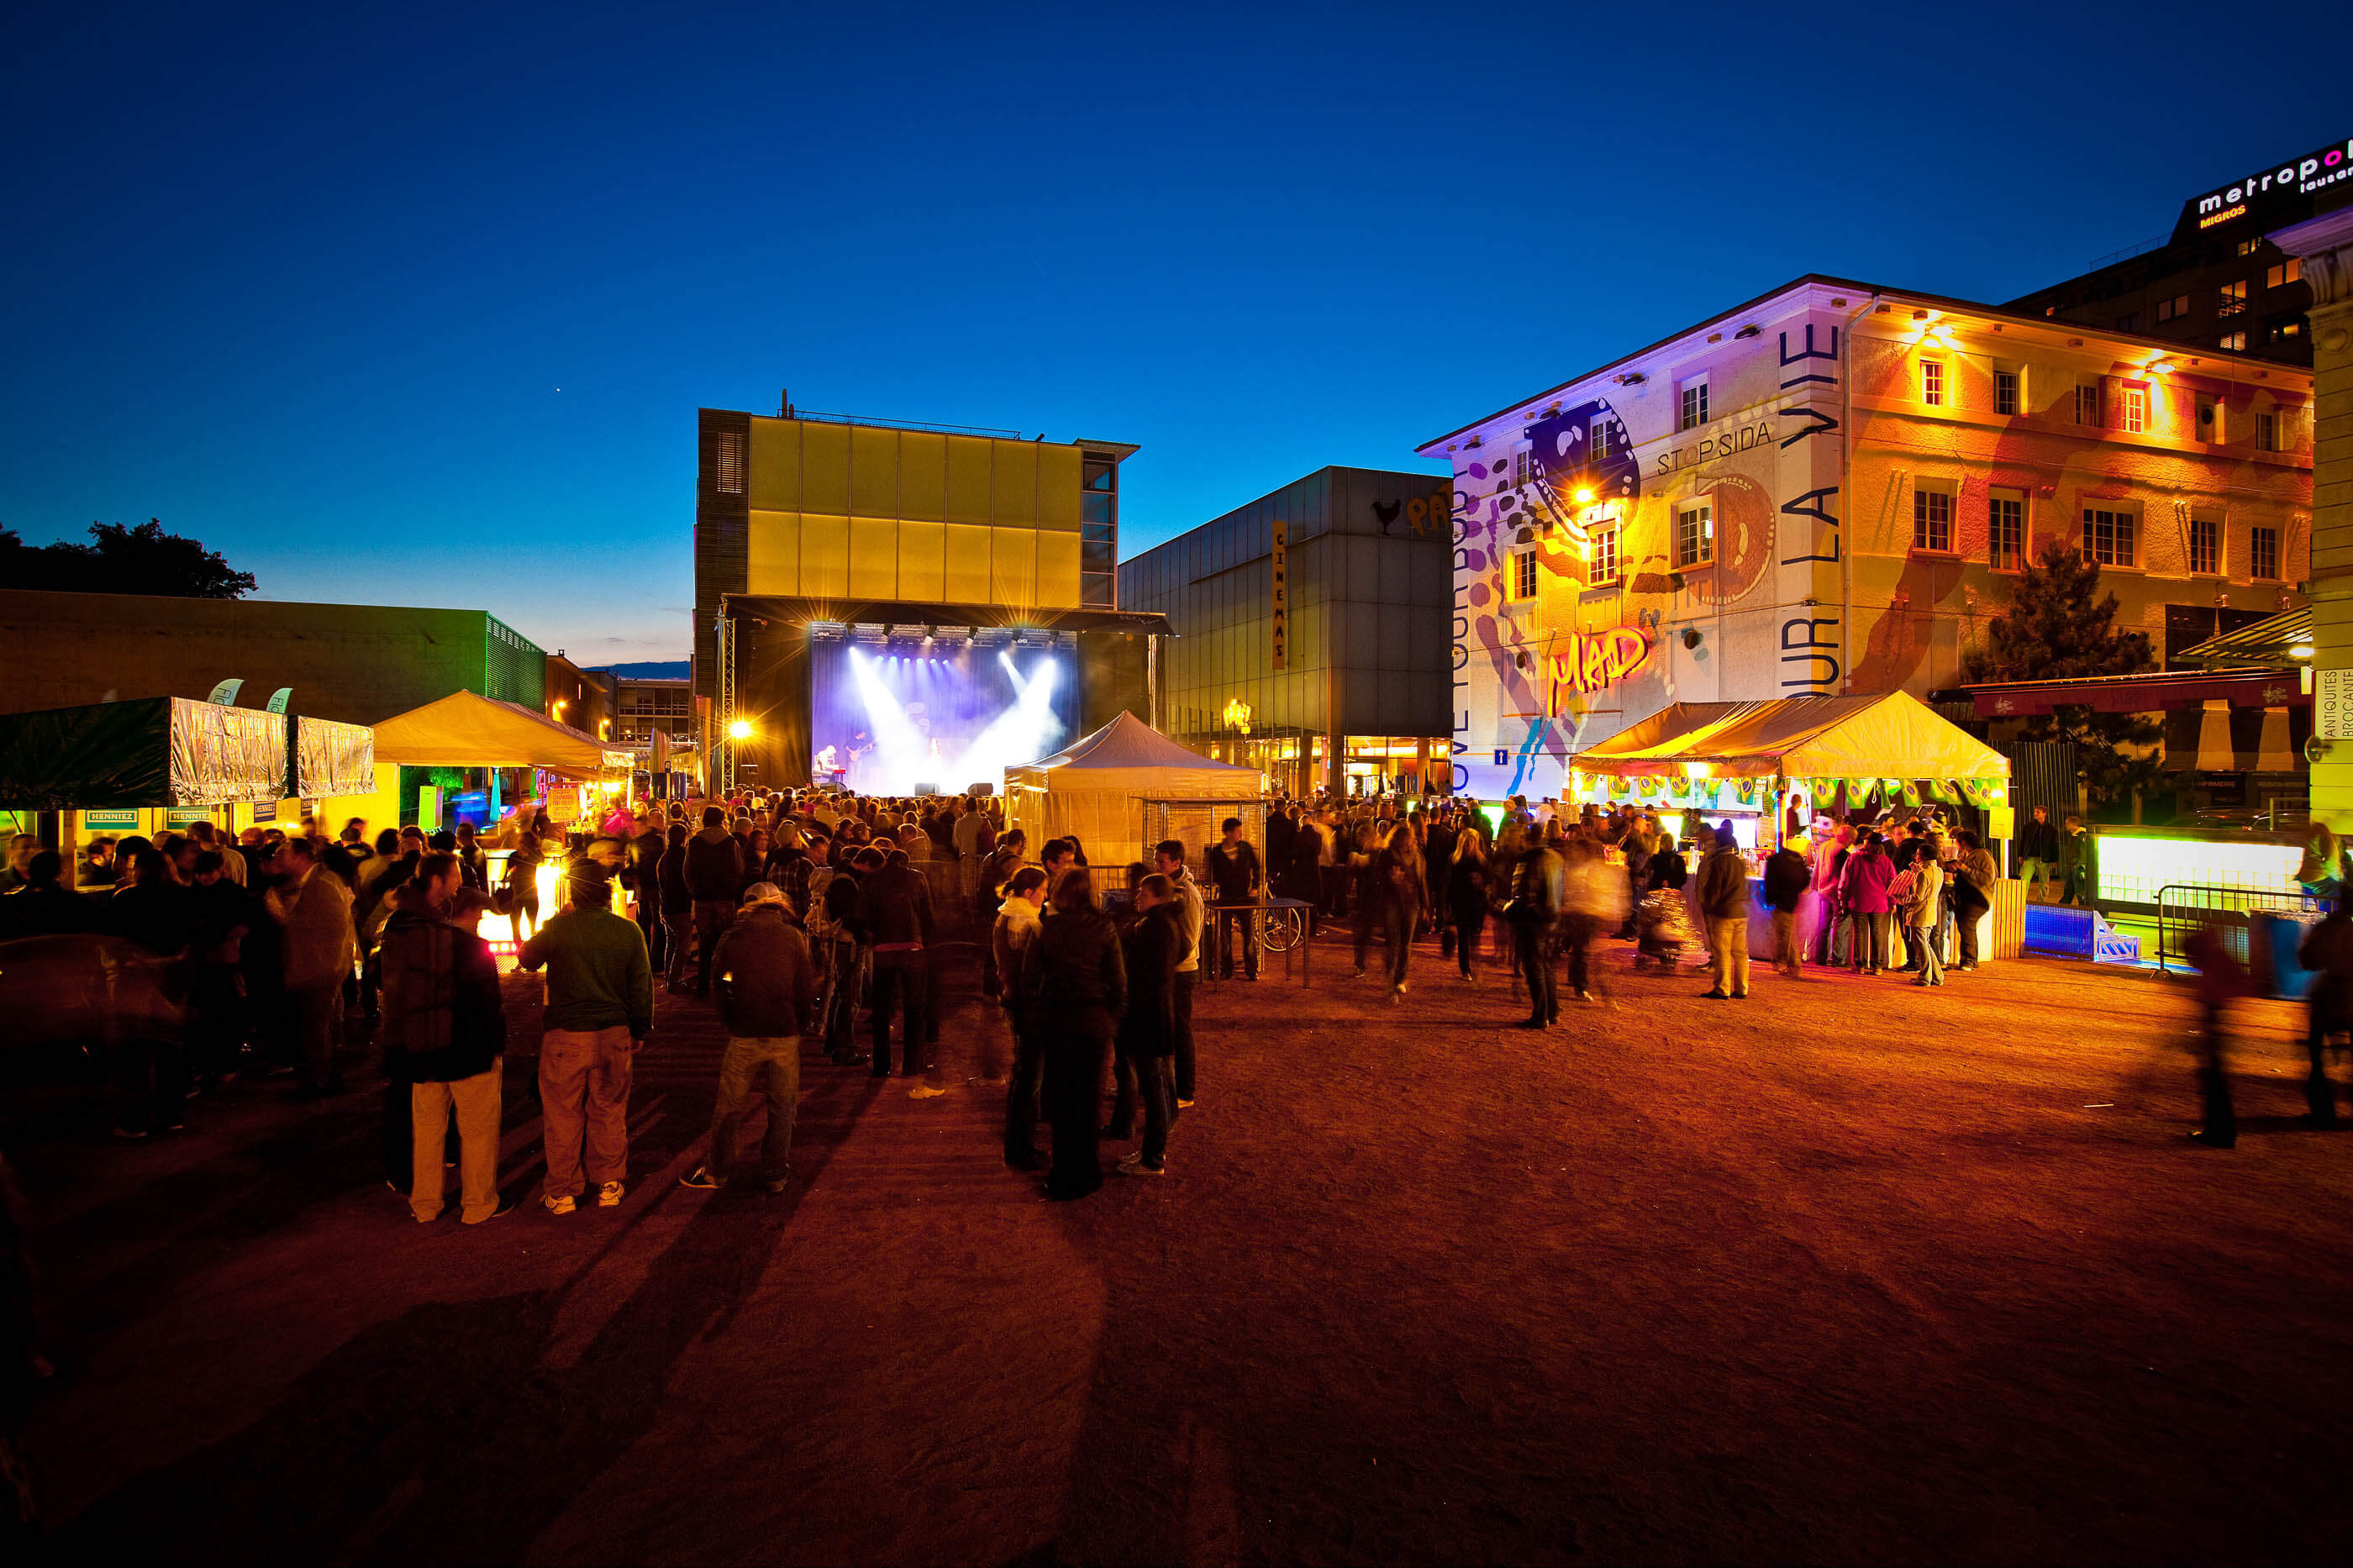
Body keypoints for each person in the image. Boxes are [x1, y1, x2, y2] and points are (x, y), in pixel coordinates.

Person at [378, 855, 512, 1224]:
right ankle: (478, 1204)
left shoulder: (405, 935)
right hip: (469, 1051)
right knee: (477, 1130)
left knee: (427, 1130)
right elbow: (489, 1005)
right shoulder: (471, 950)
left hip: (422, 1049)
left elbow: (388, 986)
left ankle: (425, 1203)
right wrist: (495, 1046)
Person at [519, 865, 653, 1214]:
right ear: (608, 894)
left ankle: (563, 1191)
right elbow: (641, 985)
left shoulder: (560, 928)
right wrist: (640, 1028)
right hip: (613, 1032)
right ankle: (610, 1182)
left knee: (563, 1114)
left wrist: (556, 922)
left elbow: (526, 959)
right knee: (608, 1109)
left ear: (574, 895)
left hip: (566, 1034)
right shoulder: (628, 931)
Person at [682, 883, 815, 1193]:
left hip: (745, 1031)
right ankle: (775, 1174)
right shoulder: (793, 937)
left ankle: (718, 1171)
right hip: (783, 1030)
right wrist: (800, 1024)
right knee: (783, 1107)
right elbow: (805, 986)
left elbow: (720, 983)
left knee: (730, 1106)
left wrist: (731, 1017)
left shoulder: (732, 937)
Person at [1021, 869, 1125, 1199]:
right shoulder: (1104, 927)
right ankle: (1089, 1171)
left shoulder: (1045, 929)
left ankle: (1065, 1174)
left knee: (1063, 1100)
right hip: (1093, 1020)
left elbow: (1028, 980)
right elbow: (1119, 981)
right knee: (1089, 1099)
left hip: (1058, 1020)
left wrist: (1038, 1016)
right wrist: (1111, 1018)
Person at [266, 835, 355, 1097]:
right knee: (316, 1027)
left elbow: (333, 930)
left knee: (318, 1028)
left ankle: (321, 1080)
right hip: (311, 969)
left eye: (283, 854)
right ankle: (322, 1076)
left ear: (302, 858)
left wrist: (281, 915)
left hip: (320, 970)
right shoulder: (301, 884)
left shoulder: (323, 884)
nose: (278, 860)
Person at [1109, 872, 1184, 1176]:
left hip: (1147, 1017)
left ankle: (1153, 1158)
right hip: (1154, 1014)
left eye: (1144, 893)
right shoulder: (1161, 924)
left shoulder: (1155, 928)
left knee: (1154, 1089)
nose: (1138, 897)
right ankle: (1153, 1149)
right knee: (1160, 1083)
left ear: (1159, 897)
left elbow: (1141, 975)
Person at [861, 843, 937, 1092]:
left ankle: (881, 1065)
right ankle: (913, 1064)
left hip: (883, 949)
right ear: (907, 862)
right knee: (914, 1008)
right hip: (913, 948)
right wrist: (926, 943)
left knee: (882, 1010)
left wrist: (873, 938)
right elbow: (928, 915)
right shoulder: (918, 878)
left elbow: (864, 916)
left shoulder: (872, 880)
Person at [995, 867, 1050, 1169]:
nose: (1046, 895)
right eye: (1042, 889)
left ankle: (1020, 1145)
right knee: (1029, 1079)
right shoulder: (1023, 922)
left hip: (1015, 1001)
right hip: (1026, 1007)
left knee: (1024, 1077)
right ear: (1029, 893)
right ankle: (1020, 1149)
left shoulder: (1009, 914)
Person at [2182, 926, 2254, 1149]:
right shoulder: (2217, 961)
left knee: (2215, 1081)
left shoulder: (2213, 966)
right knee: (2215, 1080)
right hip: (2217, 1024)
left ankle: (2218, 1131)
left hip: (2215, 1024)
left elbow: (2209, 1000)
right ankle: (2219, 1130)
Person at [1149, 840, 1205, 1105]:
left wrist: (1165, 963)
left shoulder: (1189, 894)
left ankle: (1185, 1091)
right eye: (1156, 860)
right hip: (1168, 968)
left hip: (1180, 972)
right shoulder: (1167, 888)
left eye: (1161, 861)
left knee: (1181, 1030)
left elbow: (1189, 940)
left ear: (1177, 863)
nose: (1157, 865)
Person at [2297, 900, 2353, 1127]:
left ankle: (2322, 1111)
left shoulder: (2328, 927)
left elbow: (2308, 960)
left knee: (2316, 1055)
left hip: (2331, 995)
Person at [682, 806, 745, 996]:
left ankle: (703, 982)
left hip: (703, 898)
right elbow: (738, 869)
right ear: (722, 820)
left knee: (705, 941)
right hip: (725, 897)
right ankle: (724, 983)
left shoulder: (695, 843)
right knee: (725, 941)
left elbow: (687, 871)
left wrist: (695, 891)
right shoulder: (730, 842)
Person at [1504, 829, 1563, 1029]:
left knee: (1534, 966)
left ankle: (1540, 1015)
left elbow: (1520, 890)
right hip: (1552, 917)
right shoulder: (1556, 858)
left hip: (1534, 918)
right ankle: (1552, 1011)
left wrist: (1514, 910)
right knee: (1546, 965)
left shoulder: (1528, 859)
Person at [1557, 836, 1622, 1003]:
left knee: (1582, 951)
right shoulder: (1578, 868)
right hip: (1580, 913)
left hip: (1587, 914)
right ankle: (1580, 984)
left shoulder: (1590, 870)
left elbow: (1600, 892)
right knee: (1580, 951)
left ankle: (1581, 984)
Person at [1695, 826, 1750, 1000]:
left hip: (1724, 912)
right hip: (1741, 911)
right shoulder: (1738, 861)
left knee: (1722, 952)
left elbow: (1715, 888)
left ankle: (1722, 988)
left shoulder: (1719, 862)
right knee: (1741, 953)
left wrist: (1709, 906)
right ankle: (1742, 988)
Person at [1205, 818, 1263, 981]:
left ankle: (1252, 970)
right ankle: (1227, 969)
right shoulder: (1217, 852)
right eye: (1238, 831)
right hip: (1226, 897)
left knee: (1249, 935)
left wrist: (1255, 886)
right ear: (1228, 833)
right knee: (1225, 937)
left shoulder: (1245, 848)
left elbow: (1257, 867)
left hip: (1244, 897)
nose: (1241, 834)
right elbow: (1215, 873)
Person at [1375, 821, 1424, 1002]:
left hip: (1411, 903)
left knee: (1406, 944)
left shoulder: (1416, 856)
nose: (1409, 842)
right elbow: (1378, 876)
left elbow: (1421, 880)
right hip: (1392, 902)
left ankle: (1400, 978)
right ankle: (1391, 979)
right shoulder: (1387, 855)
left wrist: (1426, 904)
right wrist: (1391, 878)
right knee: (1393, 943)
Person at [1840, 833, 1896, 976]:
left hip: (1859, 900)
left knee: (1860, 933)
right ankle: (1877, 966)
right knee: (1877, 933)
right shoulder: (1886, 862)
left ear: (1867, 843)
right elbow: (1892, 884)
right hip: (1879, 902)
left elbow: (1845, 880)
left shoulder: (1854, 859)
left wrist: (1843, 899)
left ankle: (1860, 965)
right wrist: (1892, 902)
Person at [1761, 839, 1812, 979]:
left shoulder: (1775, 860)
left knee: (1786, 933)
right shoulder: (1796, 859)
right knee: (1787, 932)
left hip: (1781, 901)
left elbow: (1769, 881)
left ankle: (1792, 964)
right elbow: (1806, 878)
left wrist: (1770, 899)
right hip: (1793, 900)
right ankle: (1785, 962)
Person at [1950, 829, 1998, 971]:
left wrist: (1964, 869)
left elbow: (1988, 878)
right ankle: (1970, 960)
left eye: (1957, 842)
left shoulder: (1982, 855)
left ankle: (1969, 961)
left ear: (1963, 843)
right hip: (1969, 898)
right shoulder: (1970, 855)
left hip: (1978, 898)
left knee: (1967, 926)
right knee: (1966, 927)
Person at [1447, 833, 1491, 983]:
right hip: (1461, 903)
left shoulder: (1481, 861)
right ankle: (1465, 968)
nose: (1469, 846)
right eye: (1466, 843)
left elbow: (1488, 881)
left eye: (1472, 842)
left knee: (1475, 936)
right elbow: (1451, 884)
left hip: (1477, 904)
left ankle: (1476, 964)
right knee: (1464, 937)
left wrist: (1481, 884)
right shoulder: (1455, 861)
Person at [1901, 849, 1946, 988]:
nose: (1916, 856)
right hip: (1931, 912)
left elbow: (1918, 896)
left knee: (1921, 946)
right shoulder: (1938, 871)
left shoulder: (1923, 874)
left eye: (1919, 854)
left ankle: (1925, 977)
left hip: (1920, 913)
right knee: (1926, 944)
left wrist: (1902, 899)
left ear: (1924, 857)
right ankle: (1937, 976)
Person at [2017, 805, 2060, 902]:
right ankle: (2021, 900)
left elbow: (2055, 845)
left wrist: (2054, 860)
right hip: (2030, 857)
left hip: (2044, 858)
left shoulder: (2051, 829)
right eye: (2035, 812)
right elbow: (2023, 841)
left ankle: (2041, 901)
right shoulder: (2028, 826)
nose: (2036, 814)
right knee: (2024, 880)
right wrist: (2021, 854)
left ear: (2045, 814)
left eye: (2038, 812)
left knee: (2044, 882)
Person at [2059, 815, 2098, 909]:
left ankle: (2083, 908)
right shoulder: (2076, 835)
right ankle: (2063, 906)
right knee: (2069, 889)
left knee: (2079, 890)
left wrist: (2078, 865)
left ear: (2073, 824)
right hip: (2074, 867)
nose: (2065, 825)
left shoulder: (2081, 836)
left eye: (2067, 823)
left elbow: (2083, 853)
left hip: (2078, 868)